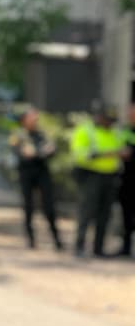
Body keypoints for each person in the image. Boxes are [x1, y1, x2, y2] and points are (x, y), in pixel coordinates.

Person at [69, 100, 126, 258]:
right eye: (107, 119)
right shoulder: (85, 130)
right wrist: (106, 154)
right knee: (86, 212)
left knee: (104, 214)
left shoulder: (114, 131)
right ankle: (79, 246)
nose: (110, 123)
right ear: (99, 117)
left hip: (110, 176)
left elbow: (122, 146)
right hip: (90, 176)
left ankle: (98, 248)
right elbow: (79, 154)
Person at [7, 107, 61, 250]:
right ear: (24, 120)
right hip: (26, 174)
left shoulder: (41, 134)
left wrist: (36, 153)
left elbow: (51, 150)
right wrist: (40, 153)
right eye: (31, 118)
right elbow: (22, 154)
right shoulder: (18, 135)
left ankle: (57, 240)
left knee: (49, 206)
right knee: (28, 207)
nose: (35, 120)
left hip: (42, 173)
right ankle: (31, 241)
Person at [118, 102, 135, 258]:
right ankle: (126, 248)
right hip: (126, 179)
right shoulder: (124, 131)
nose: (130, 114)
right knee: (126, 215)